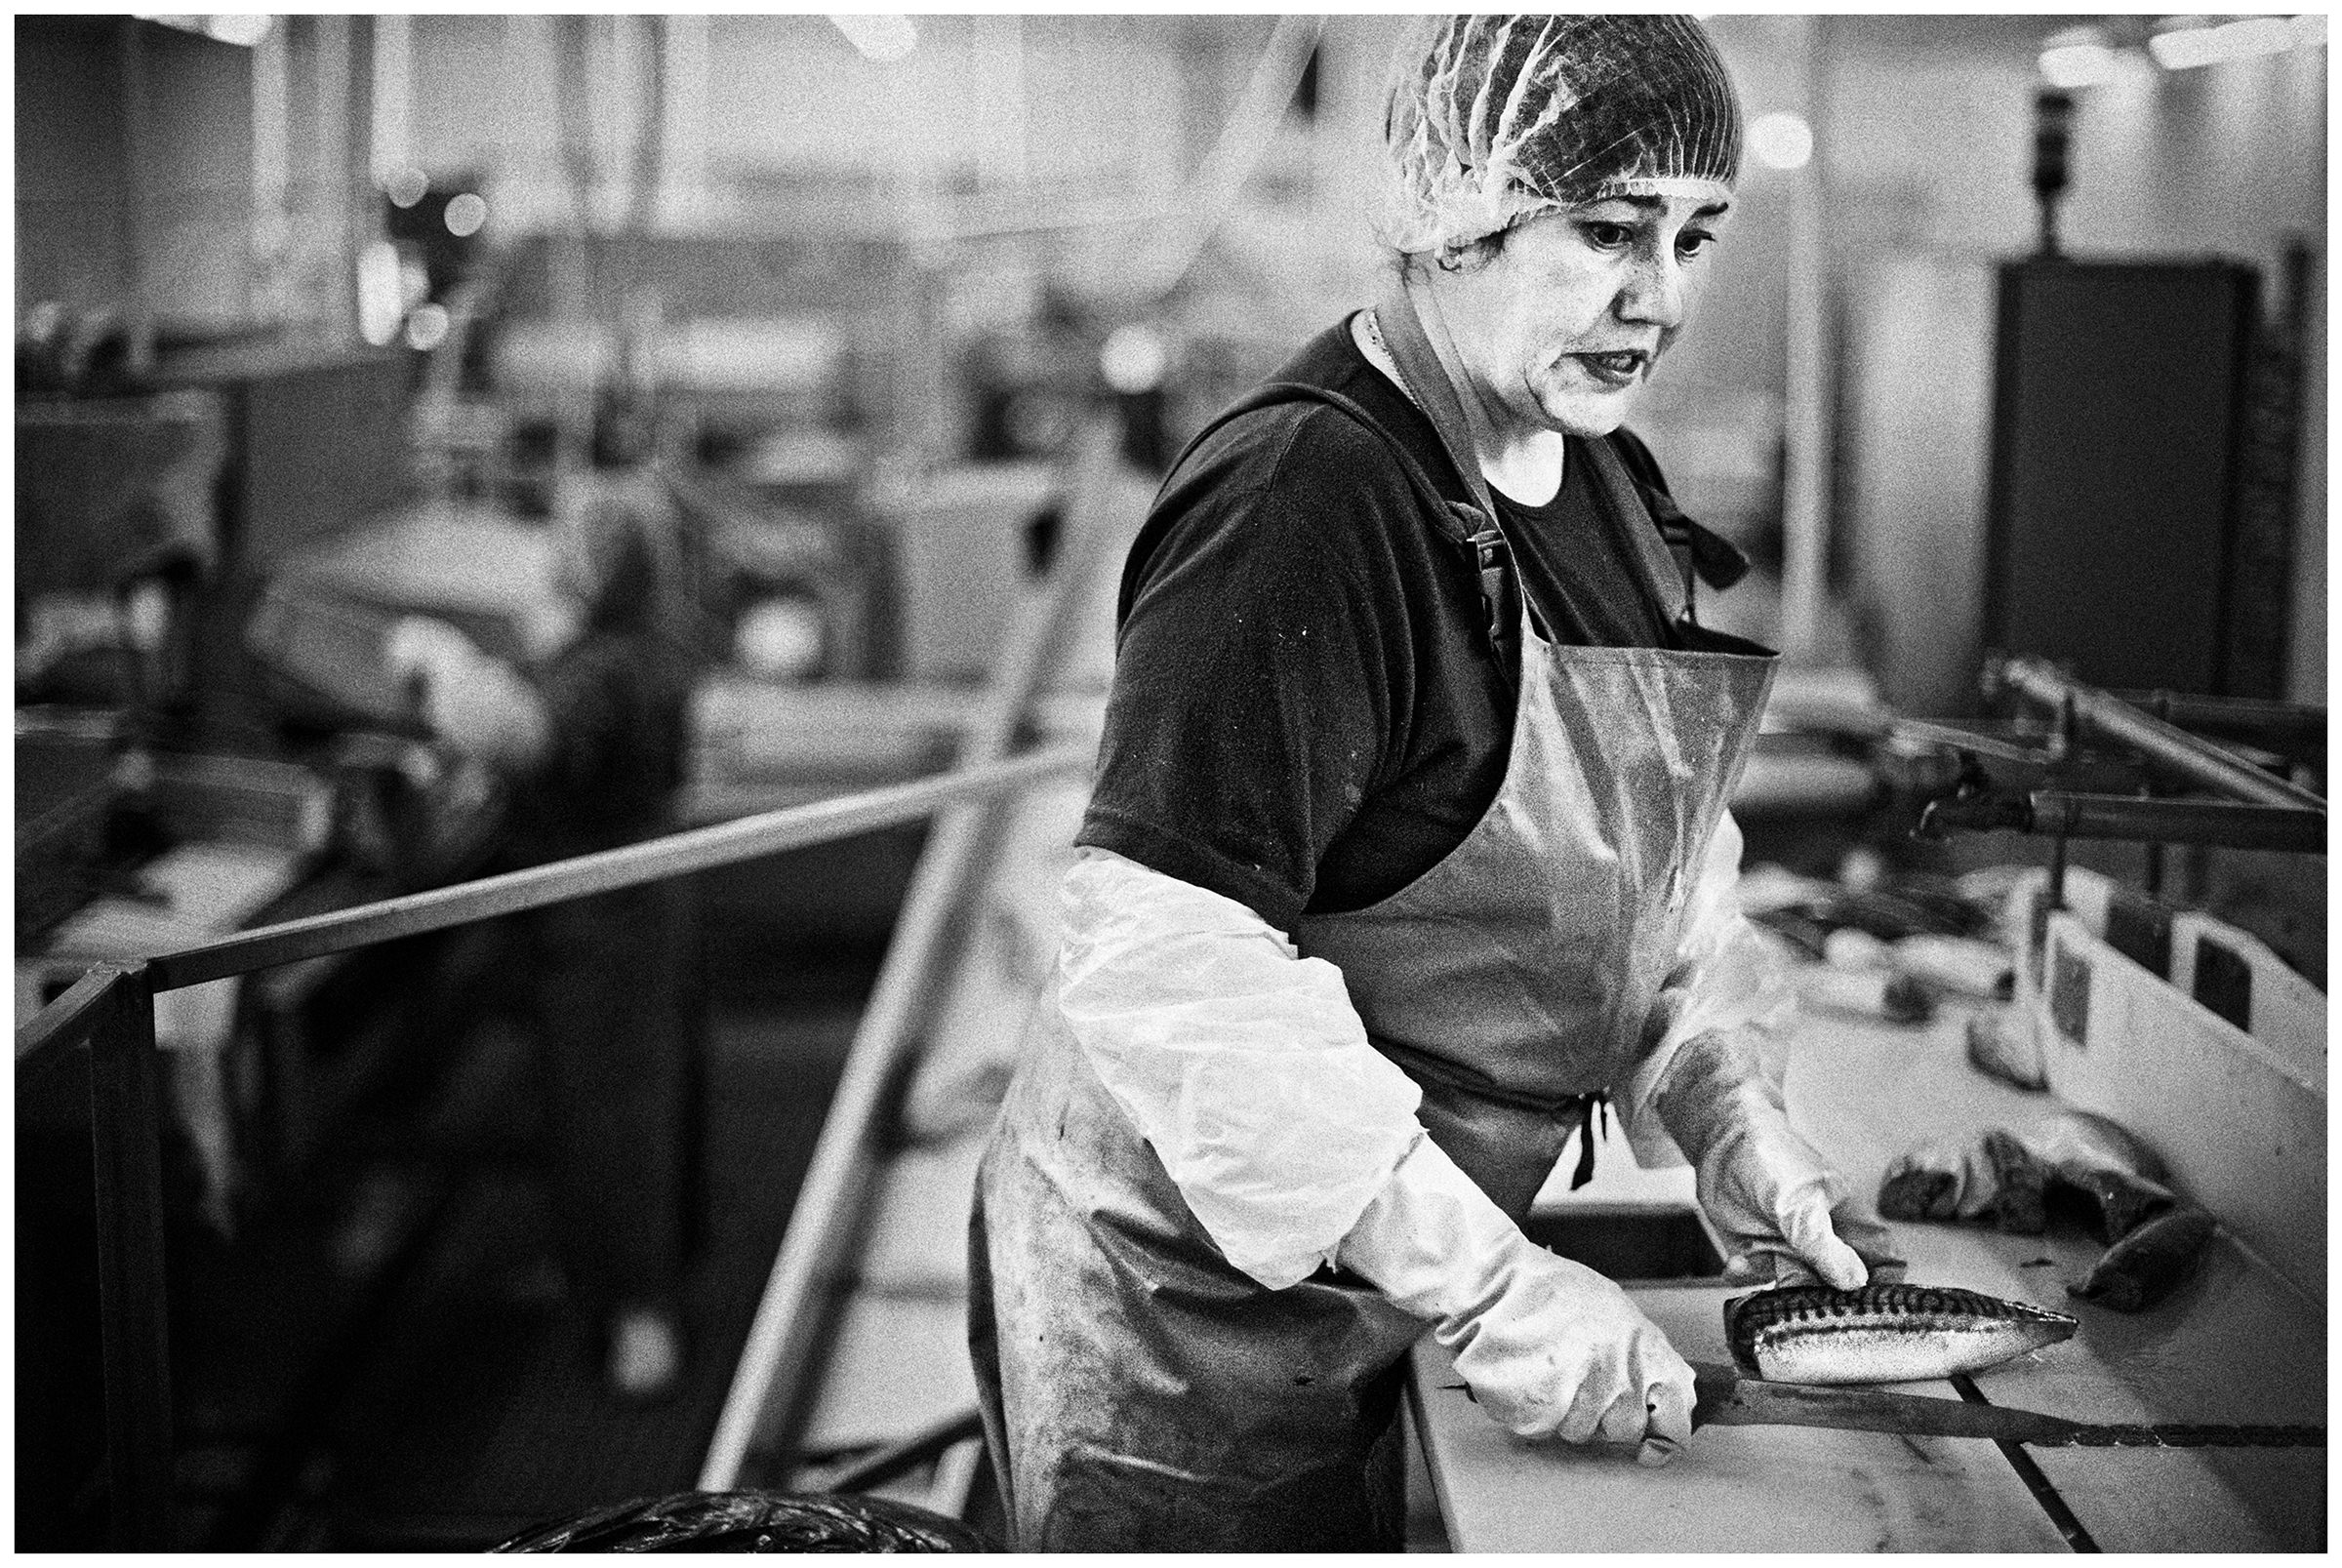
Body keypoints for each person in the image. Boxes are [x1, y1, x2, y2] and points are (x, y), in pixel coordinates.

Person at [967, 16, 1900, 1551]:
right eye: (1606, 229)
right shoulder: (1308, 504)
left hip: (1383, 1264)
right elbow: (1165, 959)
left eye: (1694, 234)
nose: (1657, 296)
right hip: (1188, 1306)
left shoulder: (1593, 467)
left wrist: (1727, 1102)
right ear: (1458, 208)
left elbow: (1655, 869)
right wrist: (1488, 1280)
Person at [389, 471, 698, 1401]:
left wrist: (446, 668)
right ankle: (614, 1282)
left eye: (572, 548)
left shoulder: (614, 664)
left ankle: (640, 1315)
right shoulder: (626, 645)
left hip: (610, 916)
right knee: (605, 1104)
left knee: (614, 1114)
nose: (554, 564)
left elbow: (527, 737)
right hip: (613, 910)